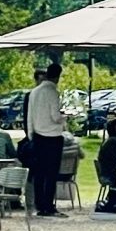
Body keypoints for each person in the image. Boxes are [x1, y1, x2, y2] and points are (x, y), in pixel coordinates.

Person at [22, 61, 68, 217]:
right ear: (58, 76)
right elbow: (55, 116)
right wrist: (65, 117)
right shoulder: (52, 92)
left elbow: (29, 116)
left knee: (39, 173)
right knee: (51, 173)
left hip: (37, 136)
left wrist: (30, 134)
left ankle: (39, 204)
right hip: (52, 136)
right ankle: (49, 205)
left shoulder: (34, 92)